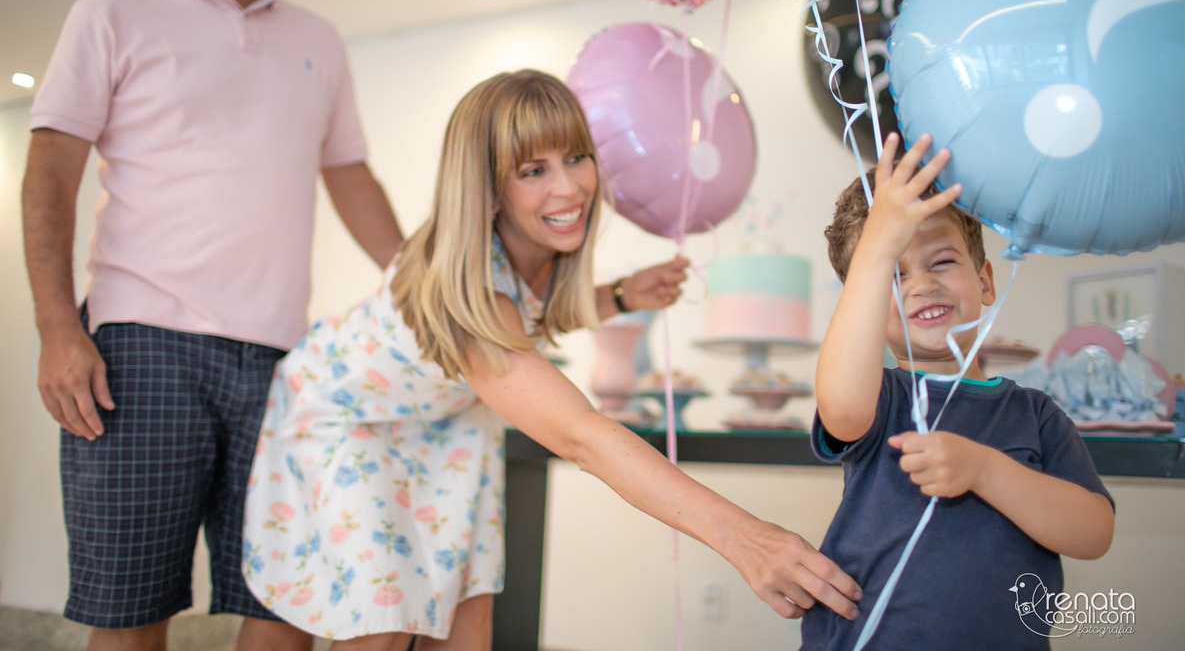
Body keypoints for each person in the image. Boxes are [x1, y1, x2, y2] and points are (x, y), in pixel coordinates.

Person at [242, 69, 865, 648]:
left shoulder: (527, 253)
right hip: (345, 418)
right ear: (487, 189)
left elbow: (531, 314)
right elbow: (580, 434)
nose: (569, 187)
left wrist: (620, 295)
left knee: (466, 616)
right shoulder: (462, 295)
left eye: (576, 157)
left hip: (445, 422)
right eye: (533, 170)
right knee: (382, 617)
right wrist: (747, 538)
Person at [21, 0, 403, 649]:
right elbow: (52, 171)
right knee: (131, 611)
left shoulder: (317, 39)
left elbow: (348, 172)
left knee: (290, 603)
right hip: (139, 348)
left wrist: (418, 281)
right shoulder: (112, 13)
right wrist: (57, 328)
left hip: (280, 362)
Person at [801, 132, 1116, 650]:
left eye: (942, 261)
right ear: (865, 303)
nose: (921, 285)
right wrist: (874, 250)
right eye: (892, 275)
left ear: (985, 282)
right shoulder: (879, 398)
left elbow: (1093, 533)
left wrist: (985, 471)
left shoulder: (1034, 413)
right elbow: (840, 405)